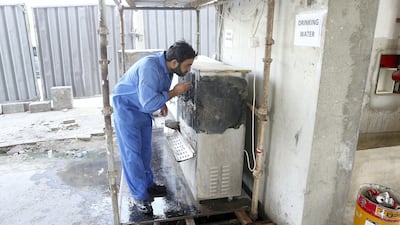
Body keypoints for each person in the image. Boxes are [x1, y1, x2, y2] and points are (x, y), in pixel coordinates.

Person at [112, 40, 197, 214]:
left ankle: (148, 185)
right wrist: (174, 92)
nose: (188, 69)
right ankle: (139, 196)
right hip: (127, 109)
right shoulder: (150, 68)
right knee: (132, 154)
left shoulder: (167, 67)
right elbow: (150, 101)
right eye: (188, 65)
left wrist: (162, 102)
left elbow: (155, 93)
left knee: (145, 151)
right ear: (174, 63)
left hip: (141, 107)